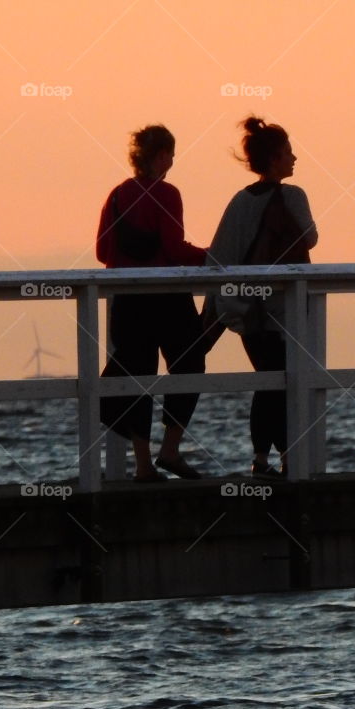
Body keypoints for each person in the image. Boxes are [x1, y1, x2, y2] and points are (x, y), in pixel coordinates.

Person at [205, 119, 318, 477]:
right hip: (281, 308)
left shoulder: (239, 201)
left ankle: (261, 459)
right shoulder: (292, 196)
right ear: (273, 159)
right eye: (287, 153)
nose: (294, 158)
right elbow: (310, 238)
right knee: (282, 383)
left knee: (267, 382)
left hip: (245, 309)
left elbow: (219, 255)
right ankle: (285, 460)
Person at [97, 124, 208, 482]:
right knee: (190, 362)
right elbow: (176, 250)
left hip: (127, 301)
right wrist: (210, 256)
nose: (173, 160)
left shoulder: (116, 196)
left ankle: (143, 464)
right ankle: (170, 450)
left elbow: (102, 251)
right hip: (166, 299)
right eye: (171, 154)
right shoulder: (167, 193)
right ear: (161, 155)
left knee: (136, 376)